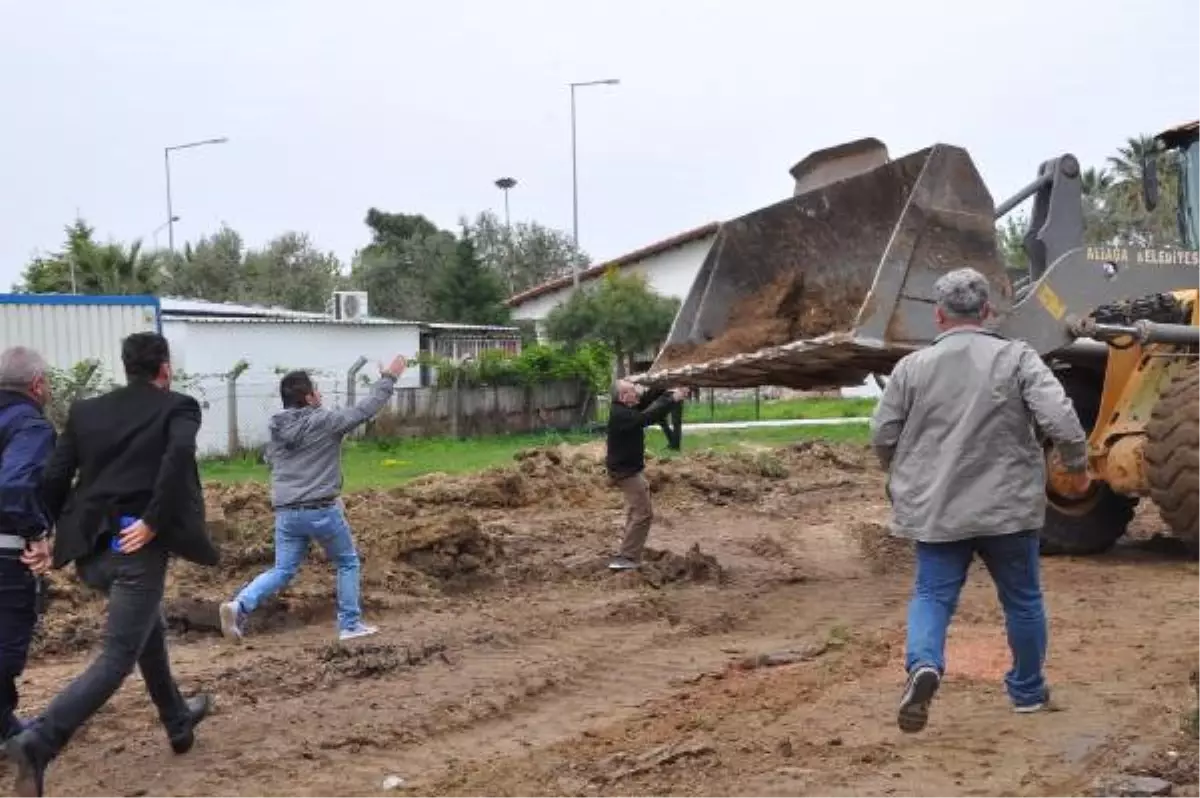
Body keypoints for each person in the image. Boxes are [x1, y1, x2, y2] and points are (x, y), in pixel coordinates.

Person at [870, 267, 1090, 735]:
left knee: (932, 595)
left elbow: (882, 433)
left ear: (939, 315)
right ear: (989, 312)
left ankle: (924, 665)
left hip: (937, 509)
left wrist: (902, 470)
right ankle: (1028, 692)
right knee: (1024, 601)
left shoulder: (911, 368)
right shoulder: (1018, 357)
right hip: (1008, 510)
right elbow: (1061, 418)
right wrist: (1075, 463)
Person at [7, 332, 219, 798]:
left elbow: (56, 475)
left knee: (149, 628)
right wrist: (153, 520)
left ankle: (177, 721)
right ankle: (38, 742)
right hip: (133, 550)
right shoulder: (179, 407)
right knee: (117, 655)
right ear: (164, 369)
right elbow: (179, 457)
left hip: (89, 554)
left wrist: (41, 534)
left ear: (126, 368)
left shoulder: (86, 412)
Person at [219, 354, 408, 644]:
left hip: (286, 513)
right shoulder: (326, 421)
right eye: (316, 390)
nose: (319, 394)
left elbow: (270, 461)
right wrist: (389, 378)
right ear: (308, 398)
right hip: (320, 509)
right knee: (347, 562)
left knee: (282, 569)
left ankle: (240, 604)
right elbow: (365, 409)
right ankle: (350, 624)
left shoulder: (276, 430)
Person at [0, 348, 55, 744]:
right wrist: (36, 533)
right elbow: (13, 487)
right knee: (5, 644)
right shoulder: (30, 426)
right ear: (37, 385)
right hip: (5, 554)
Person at [606, 380, 687, 571]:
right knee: (644, 513)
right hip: (625, 473)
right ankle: (626, 557)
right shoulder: (621, 415)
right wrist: (672, 399)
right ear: (623, 397)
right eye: (633, 392)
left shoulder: (624, 409)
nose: (637, 394)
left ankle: (627, 551)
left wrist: (662, 385)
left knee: (636, 511)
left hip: (629, 470)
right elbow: (648, 417)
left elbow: (646, 401)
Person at [639, 386, 684, 451]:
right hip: (673, 393)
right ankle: (674, 443)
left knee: (671, 421)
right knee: (672, 421)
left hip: (672, 393)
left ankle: (675, 444)